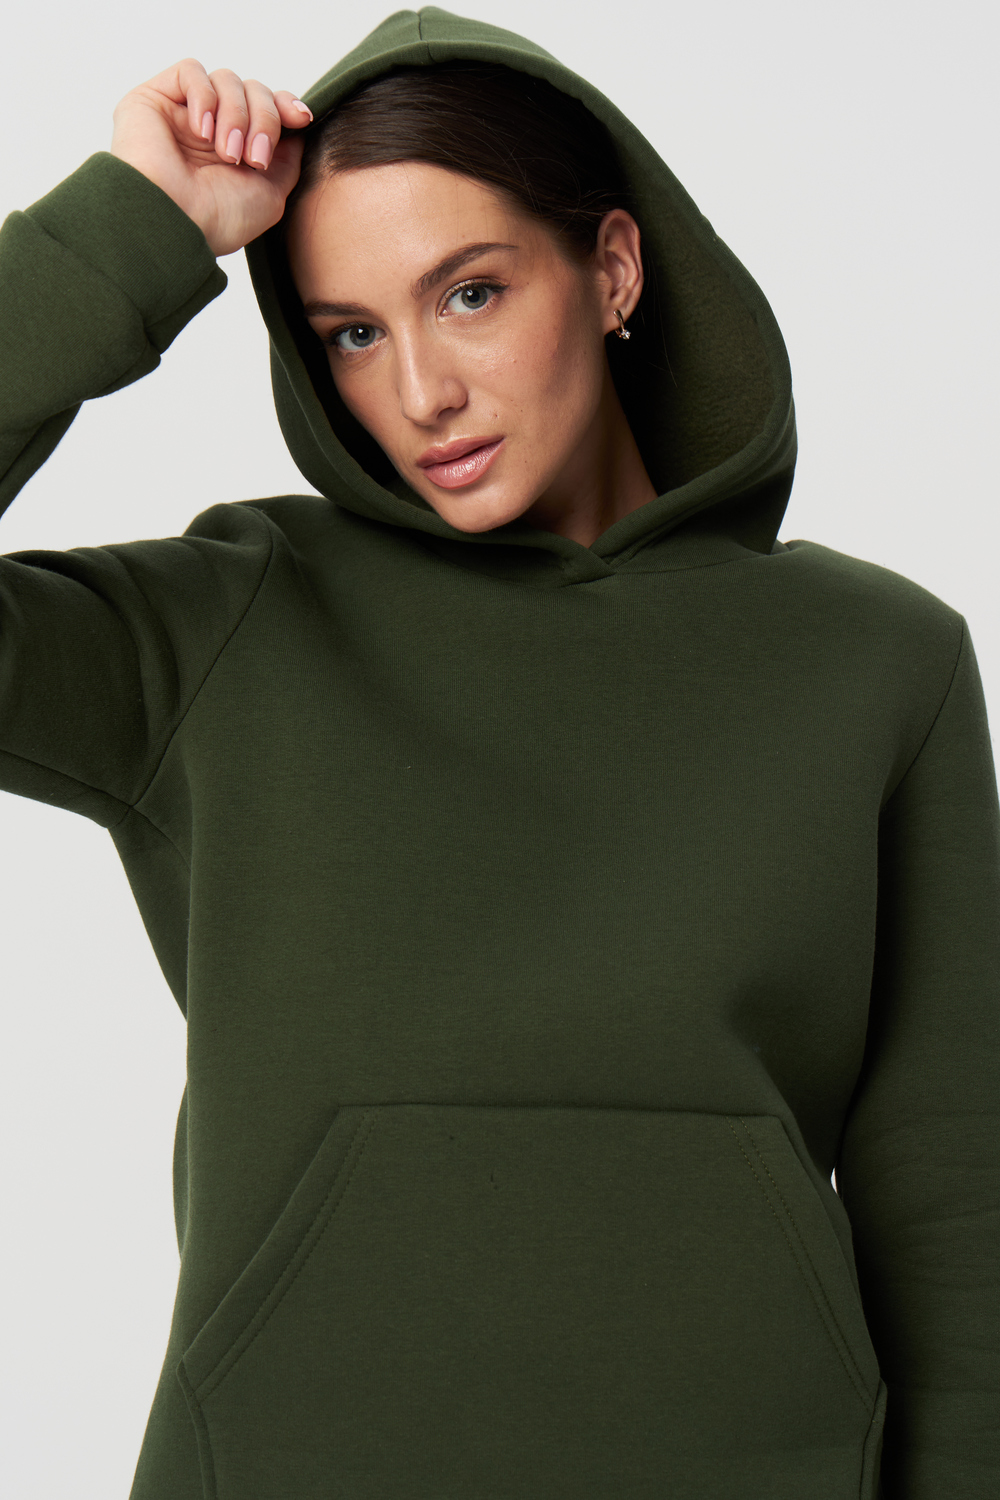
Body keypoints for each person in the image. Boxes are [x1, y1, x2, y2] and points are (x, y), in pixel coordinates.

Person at [1, 7, 997, 1498]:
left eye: (468, 293)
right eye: (352, 332)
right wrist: (126, 232)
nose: (419, 394)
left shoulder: (878, 662)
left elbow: (957, 1212)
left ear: (613, 269)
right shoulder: (229, 624)